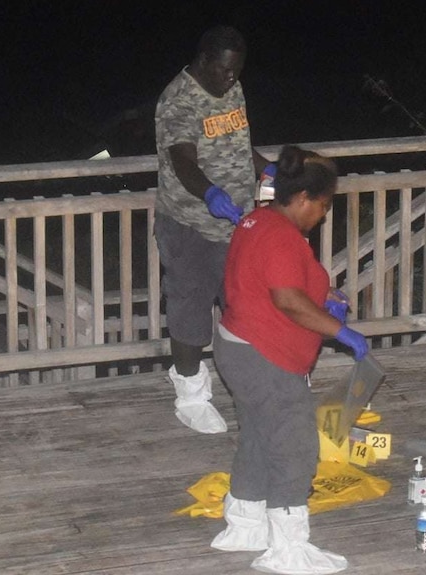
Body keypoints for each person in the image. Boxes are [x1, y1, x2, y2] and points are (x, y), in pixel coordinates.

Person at [210, 145, 367, 574]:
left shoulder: (255, 219)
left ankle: (244, 524)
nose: (323, 213)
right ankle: (288, 549)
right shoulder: (281, 235)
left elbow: (270, 282)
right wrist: (340, 331)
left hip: (237, 345)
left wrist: (324, 296)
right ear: (302, 200)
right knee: (294, 446)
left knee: (260, 436)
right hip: (265, 355)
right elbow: (287, 300)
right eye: (323, 205)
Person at [154, 25, 270, 434]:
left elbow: (238, 140)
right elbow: (183, 161)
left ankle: (250, 384)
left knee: (245, 305)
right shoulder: (178, 100)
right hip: (190, 226)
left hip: (236, 225)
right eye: (223, 71)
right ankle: (190, 394)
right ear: (203, 61)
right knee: (190, 309)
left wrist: (263, 167)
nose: (231, 79)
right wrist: (209, 195)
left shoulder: (231, 88)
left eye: (237, 71)